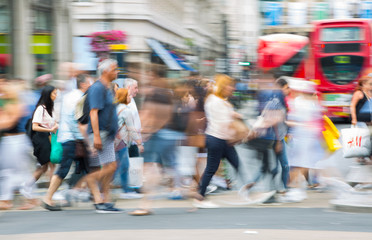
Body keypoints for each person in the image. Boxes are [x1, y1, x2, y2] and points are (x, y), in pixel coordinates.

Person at [42, 74, 92, 210]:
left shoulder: (72, 96)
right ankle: (48, 198)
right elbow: (75, 120)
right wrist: (82, 138)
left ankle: (97, 196)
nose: (91, 86)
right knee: (64, 169)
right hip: (72, 139)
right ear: (83, 84)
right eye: (90, 83)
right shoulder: (78, 98)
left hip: (70, 138)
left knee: (88, 167)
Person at [194, 74, 243, 208]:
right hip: (217, 139)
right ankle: (199, 197)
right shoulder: (217, 101)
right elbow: (224, 122)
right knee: (212, 168)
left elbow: (225, 117)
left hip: (221, 139)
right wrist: (238, 133)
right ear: (223, 86)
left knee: (236, 164)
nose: (232, 88)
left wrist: (234, 115)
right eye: (230, 85)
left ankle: (246, 191)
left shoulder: (216, 100)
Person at [87, 58, 122, 213]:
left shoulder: (108, 88)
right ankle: (97, 196)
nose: (117, 71)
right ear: (106, 71)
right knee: (110, 166)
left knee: (109, 166)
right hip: (99, 133)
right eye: (115, 69)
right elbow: (93, 112)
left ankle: (104, 200)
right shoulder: (97, 88)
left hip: (106, 134)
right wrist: (96, 136)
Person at [0, 80, 38, 210]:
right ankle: (6, 199)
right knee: (8, 171)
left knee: (20, 172)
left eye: (4, 92)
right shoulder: (10, 104)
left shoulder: (17, 104)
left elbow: (8, 123)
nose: (2, 94)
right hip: (10, 141)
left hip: (16, 141)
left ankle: (30, 198)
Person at [21, 85, 59, 199]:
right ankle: (51, 193)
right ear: (48, 94)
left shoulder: (50, 108)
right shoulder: (41, 108)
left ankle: (27, 185)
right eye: (54, 93)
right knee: (50, 166)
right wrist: (50, 129)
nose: (56, 96)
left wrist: (55, 126)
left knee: (45, 167)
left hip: (48, 139)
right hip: (41, 140)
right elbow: (35, 126)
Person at [114, 88, 144, 199]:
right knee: (123, 165)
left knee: (117, 166)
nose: (130, 97)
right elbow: (131, 128)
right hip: (121, 140)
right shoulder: (126, 110)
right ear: (123, 97)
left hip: (115, 141)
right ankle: (126, 190)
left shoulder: (117, 108)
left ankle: (123, 188)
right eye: (128, 95)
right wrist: (139, 142)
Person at [123, 78, 142, 158]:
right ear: (128, 87)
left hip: (132, 142)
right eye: (135, 88)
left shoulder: (132, 100)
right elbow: (128, 124)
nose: (137, 90)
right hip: (128, 143)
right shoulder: (125, 101)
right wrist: (139, 143)